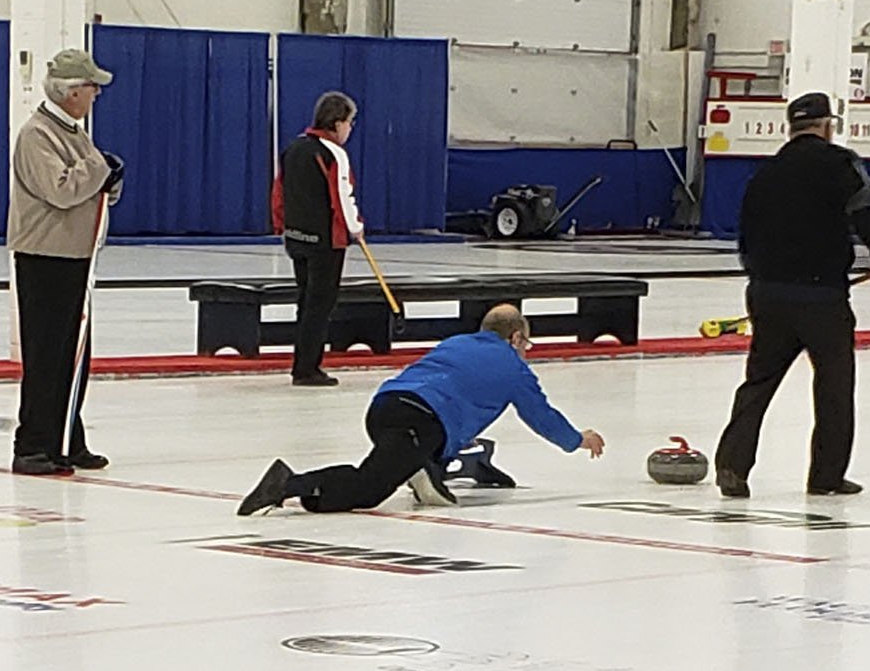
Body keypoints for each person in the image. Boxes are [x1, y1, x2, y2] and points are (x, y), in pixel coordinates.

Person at [241, 301, 602, 516]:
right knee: (370, 488)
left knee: (397, 460)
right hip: (423, 421)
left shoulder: (457, 341)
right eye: (527, 343)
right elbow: (541, 416)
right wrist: (578, 440)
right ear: (516, 338)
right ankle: (288, 483)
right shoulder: (514, 369)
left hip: (385, 407)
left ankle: (422, 469)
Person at [708, 92, 870, 499]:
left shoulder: (764, 173)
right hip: (821, 296)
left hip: (767, 292)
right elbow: (867, 209)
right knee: (833, 386)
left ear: (789, 128)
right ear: (828, 126)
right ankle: (825, 476)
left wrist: (760, 277)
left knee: (758, 381)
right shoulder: (842, 163)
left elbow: (745, 231)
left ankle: (732, 466)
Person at [7, 46, 117, 476]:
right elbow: (61, 189)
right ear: (72, 91)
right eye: (93, 87)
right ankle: (33, 444)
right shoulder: (38, 134)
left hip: (74, 255)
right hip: (44, 255)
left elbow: (90, 185)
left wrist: (109, 178)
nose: (97, 95)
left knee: (73, 354)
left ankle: (67, 437)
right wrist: (99, 166)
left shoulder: (72, 131)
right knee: (46, 353)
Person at [274, 90, 361, 387]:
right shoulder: (333, 153)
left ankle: (303, 363)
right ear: (336, 123)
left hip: (297, 237)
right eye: (350, 122)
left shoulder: (294, 148)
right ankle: (307, 368)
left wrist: (282, 225)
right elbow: (343, 195)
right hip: (325, 241)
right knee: (320, 305)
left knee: (306, 302)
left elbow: (279, 191)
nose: (350, 129)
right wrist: (355, 227)